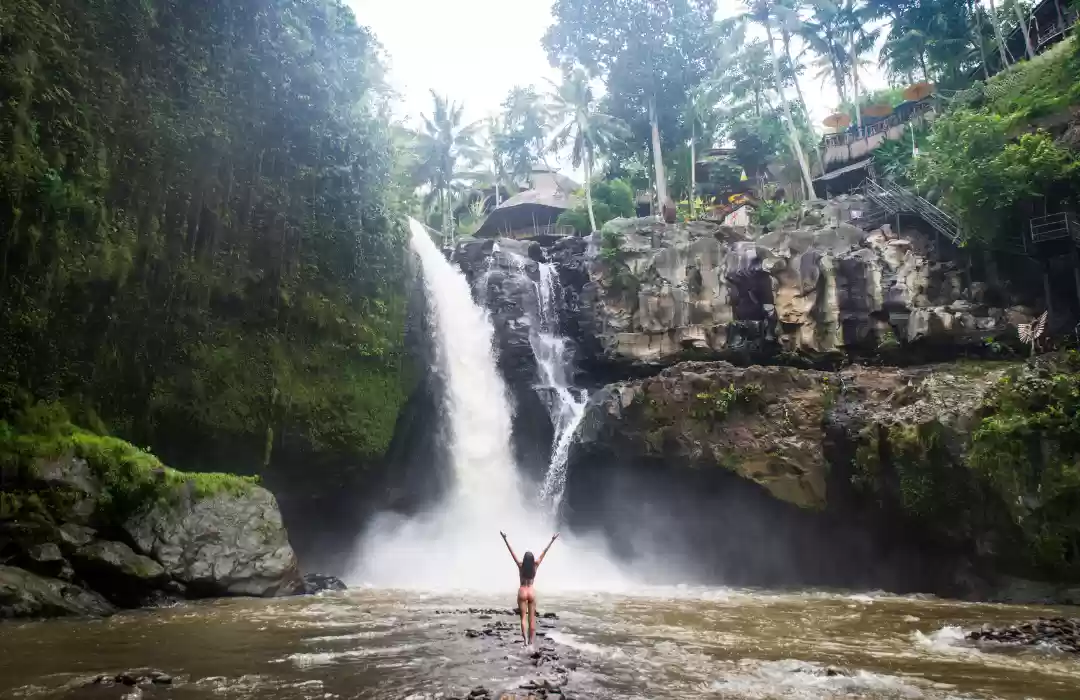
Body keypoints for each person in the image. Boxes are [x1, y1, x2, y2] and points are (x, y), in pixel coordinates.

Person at [500, 530, 559, 649]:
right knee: (532, 618)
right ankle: (531, 641)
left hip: (522, 591)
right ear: (532, 560)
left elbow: (512, 553)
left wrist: (505, 539)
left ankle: (525, 641)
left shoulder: (520, 565)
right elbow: (545, 552)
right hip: (531, 591)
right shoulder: (535, 565)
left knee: (523, 617)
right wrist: (552, 540)